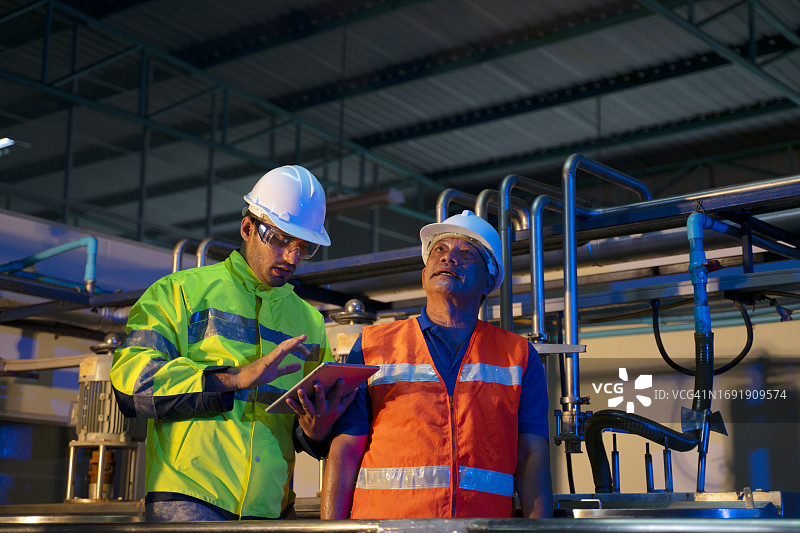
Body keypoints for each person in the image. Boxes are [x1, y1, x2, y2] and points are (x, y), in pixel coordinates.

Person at [110, 165, 356, 521]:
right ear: (247, 228)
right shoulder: (179, 293)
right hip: (188, 503)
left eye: (304, 247)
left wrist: (316, 432)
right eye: (281, 240)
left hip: (270, 510)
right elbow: (131, 382)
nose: (292, 257)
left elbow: (303, 427)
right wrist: (235, 378)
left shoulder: (310, 323)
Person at [321, 210, 553, 519]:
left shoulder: (519, 356)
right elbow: (345, 450)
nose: (448, 257)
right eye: (439, 250)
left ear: (489, 280)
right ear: (424, 273)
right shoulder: (372, 346)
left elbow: (532, 456)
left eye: (466, 253)